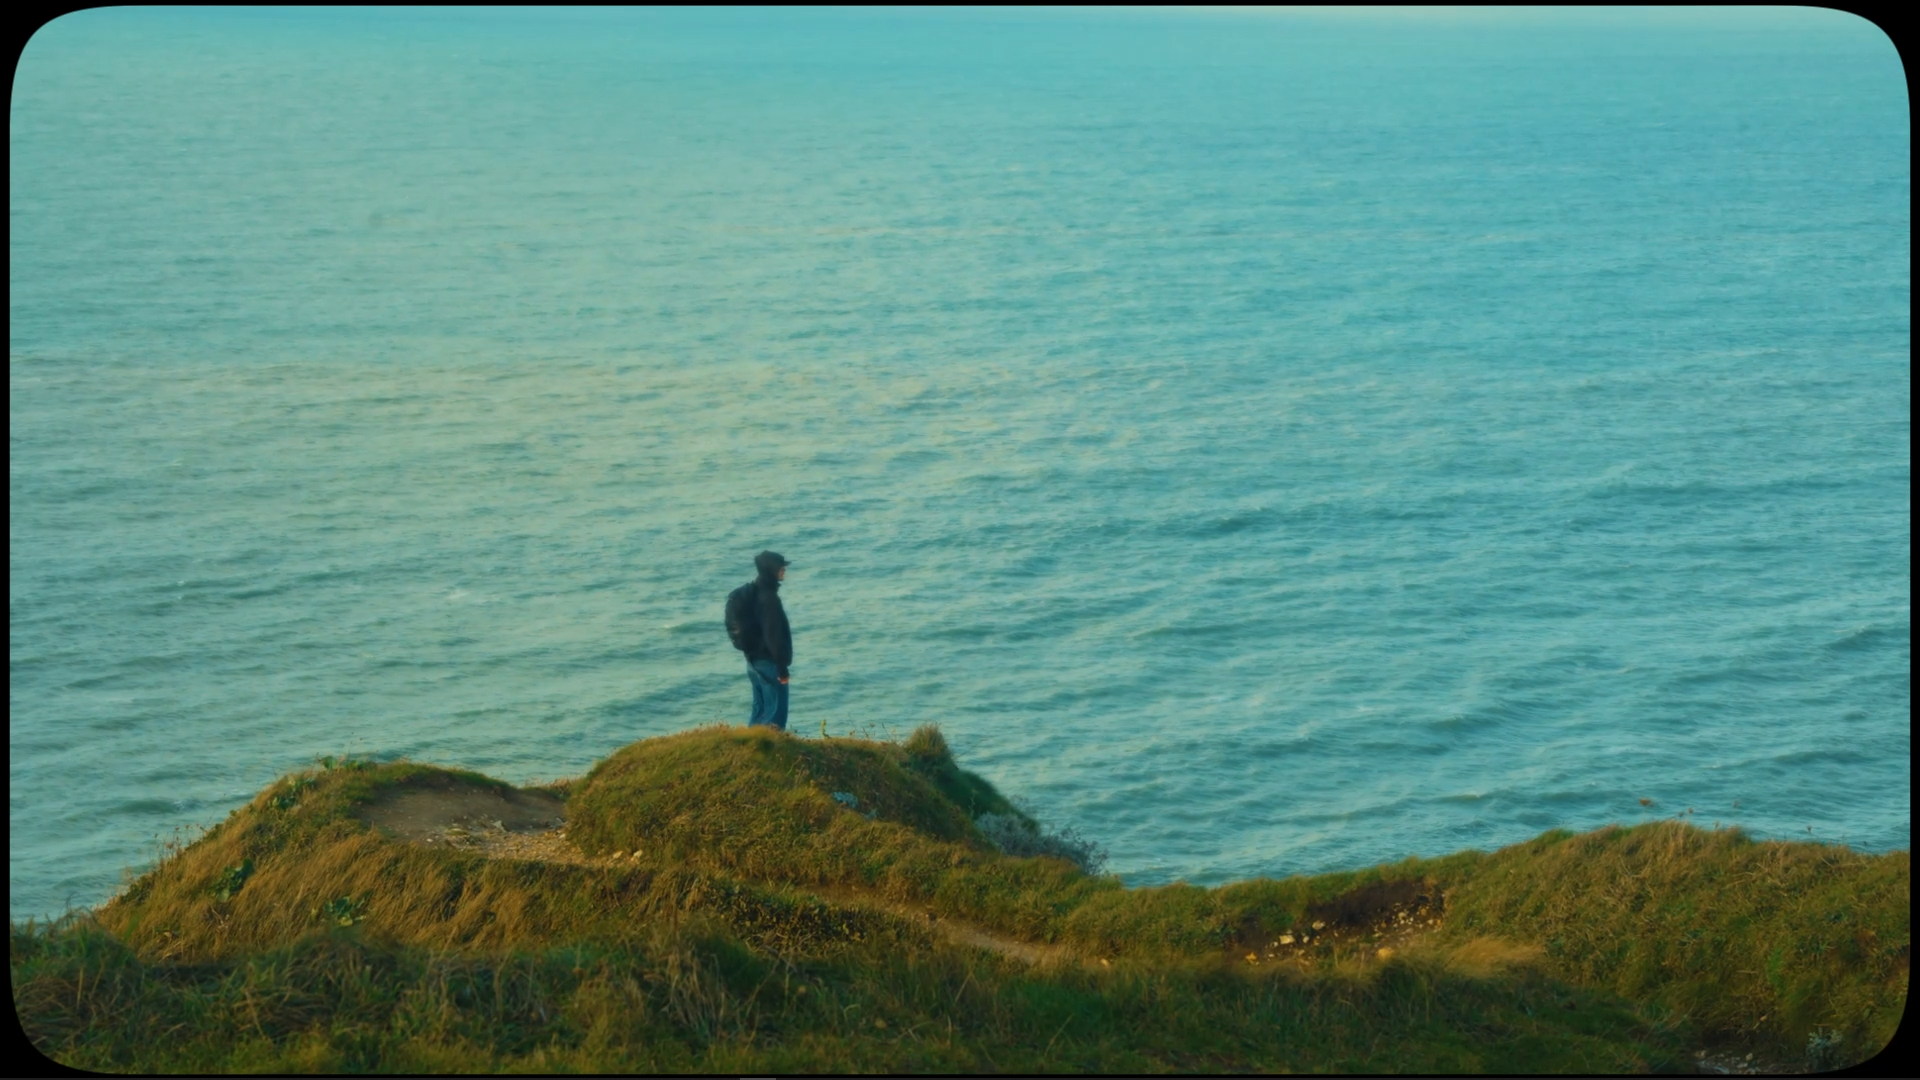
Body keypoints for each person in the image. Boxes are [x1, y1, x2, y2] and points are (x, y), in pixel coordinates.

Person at [725, 550, 794, 730]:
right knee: (775, 717)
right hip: (769, 663)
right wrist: (782, 669)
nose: (784, 570)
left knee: (759, 711)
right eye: (781, 567)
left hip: (753, 661)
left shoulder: (753, 593)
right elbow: (774, 636)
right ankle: (772, 752)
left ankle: (751, 746)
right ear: (771, 569)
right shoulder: (769, 598)